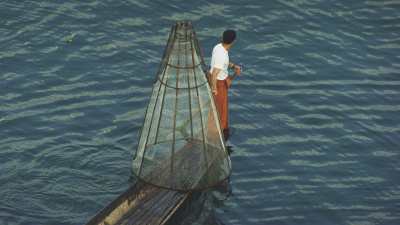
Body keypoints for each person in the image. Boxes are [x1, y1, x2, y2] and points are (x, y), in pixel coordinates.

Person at [209, 29, 241, 141]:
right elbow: (214, 73)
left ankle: (219, 130)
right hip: (218, 84)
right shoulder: (222, 55)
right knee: (220, 111)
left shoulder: (218, 47)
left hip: (219, 81)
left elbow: (224, 64)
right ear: (233, 42)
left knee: (219, 109)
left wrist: (233, 66)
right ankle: (218, 135)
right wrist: (214, 89)